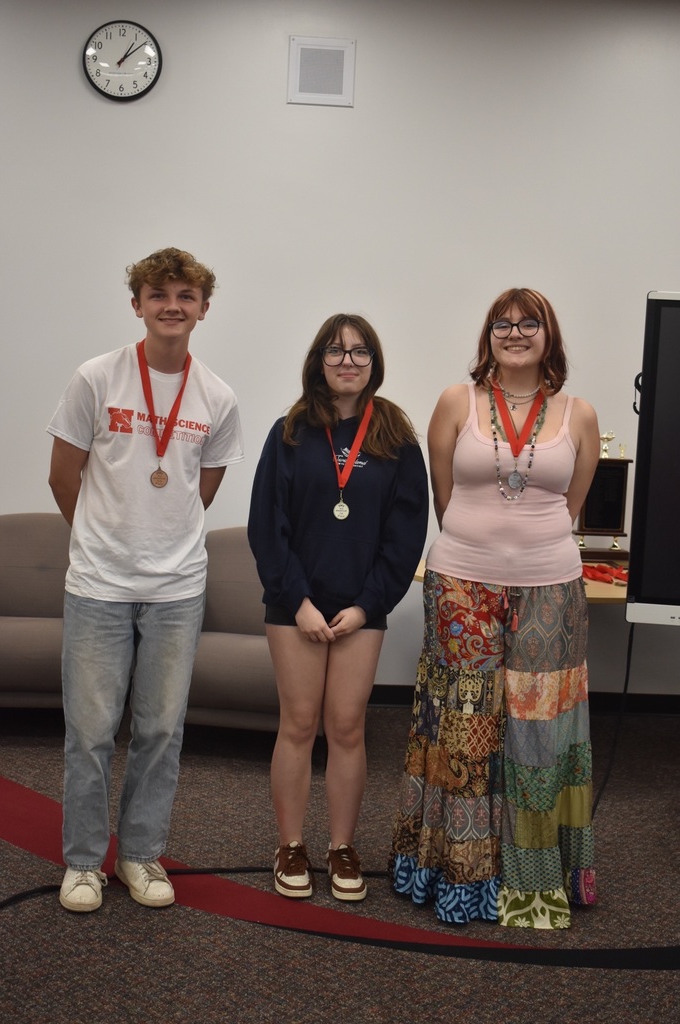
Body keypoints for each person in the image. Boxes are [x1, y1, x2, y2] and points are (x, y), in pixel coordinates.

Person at [389, 288, 600, 929]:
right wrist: (488, 550)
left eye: (528, 323)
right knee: (466, 727)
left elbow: (572, 508)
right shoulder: (458, 402)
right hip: (462, 583)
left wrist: (526, 550)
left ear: (549, 336)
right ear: (487, 337)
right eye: (501, 324)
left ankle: (533, 883)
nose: (515, 333)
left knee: (541, 730)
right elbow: (444, 496)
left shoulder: (579, 414)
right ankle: (460, 877)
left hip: (550, 586)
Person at [47, 247, 244, 912]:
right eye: (158, 294)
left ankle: (139, 855)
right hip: (98, 586)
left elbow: (201, 485)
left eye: (185, 296)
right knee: (91, 731)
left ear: (202, 309)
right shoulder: (96, 378)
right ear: (137, 304)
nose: (171, 306)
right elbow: (61, 474)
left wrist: (160, 538)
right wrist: (104, 539)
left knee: (161, 730)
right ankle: (82, 863)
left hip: (177, 590)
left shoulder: (217, 396)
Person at [248, 314, 429, 902]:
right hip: (293, 606)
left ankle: (342, 847)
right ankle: (292, 845)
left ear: (374, 363)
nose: (347, 361)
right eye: (335, 351)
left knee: (347, 728)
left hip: (360, 609)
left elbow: (405, 536)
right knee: (298, 724)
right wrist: (296, 600)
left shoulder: (397, 438)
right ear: (318, 361)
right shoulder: (290, 432)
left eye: (359, 353)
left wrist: (366, 605)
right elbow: (265, 527)